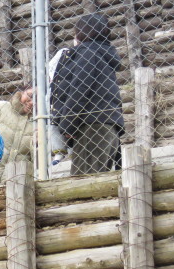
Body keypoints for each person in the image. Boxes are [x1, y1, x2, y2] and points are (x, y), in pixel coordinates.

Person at [51, 13, 124, 177]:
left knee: (84, 182)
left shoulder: (87, 53)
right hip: (104, 123)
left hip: (91, 125)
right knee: (95, 180)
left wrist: (67, 125)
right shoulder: (100, 53)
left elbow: (79, 90)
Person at [0, 86, 34, 185]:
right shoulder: (1, 107)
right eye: (30, 96)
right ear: (22, 92)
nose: (32, 102)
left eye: (38, 99)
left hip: (16, 184)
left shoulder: (39, 124)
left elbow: (38, 164)